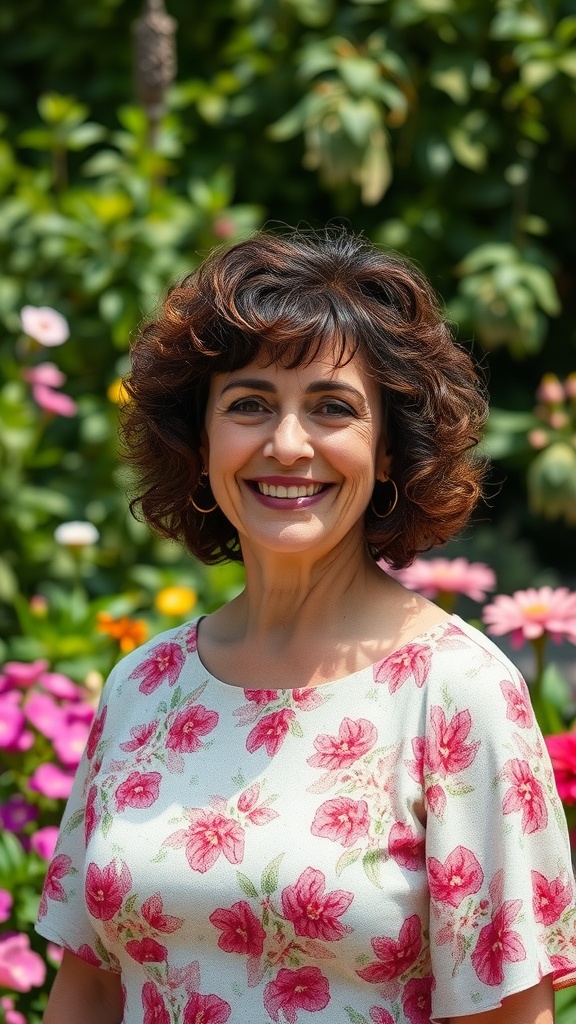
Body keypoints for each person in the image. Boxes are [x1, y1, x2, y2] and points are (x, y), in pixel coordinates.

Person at [36, 228, 576, 1024]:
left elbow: (507, 1015)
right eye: (249, 404)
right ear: (202, 439)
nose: (287, 445)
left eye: (332, 408)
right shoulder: (143, 686)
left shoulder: (457, 693)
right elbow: (88, 987)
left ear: (389, 450)